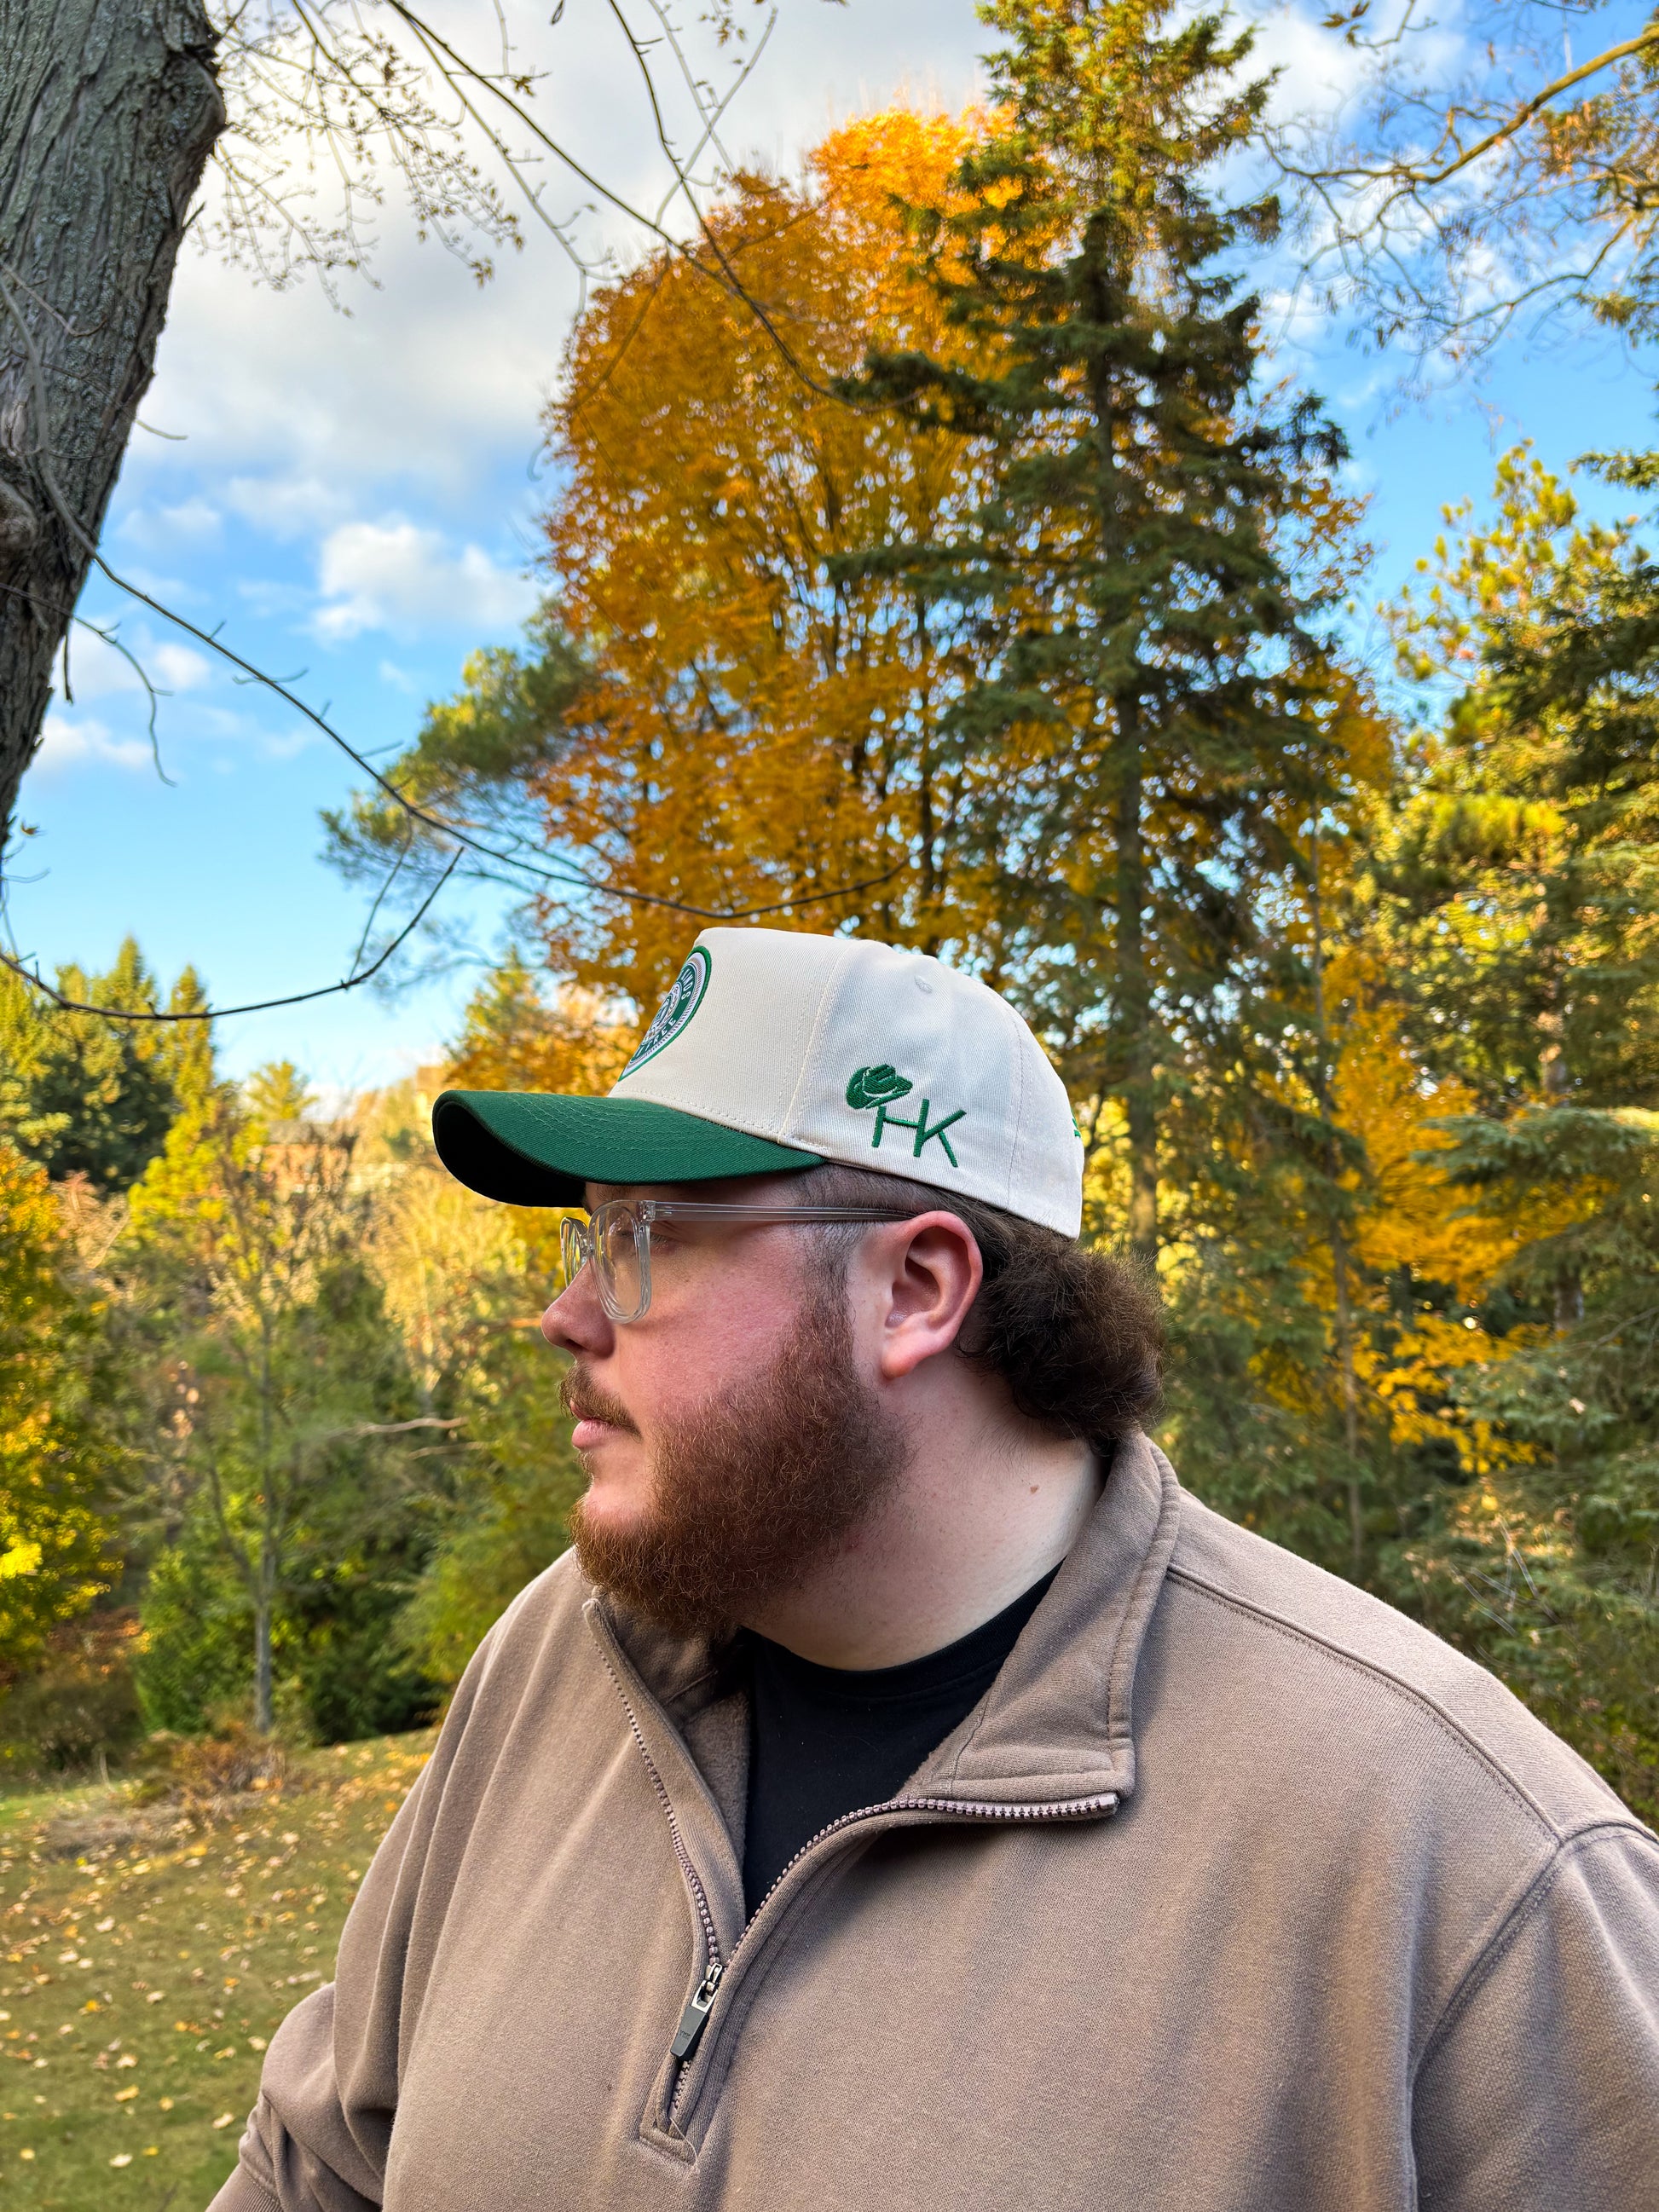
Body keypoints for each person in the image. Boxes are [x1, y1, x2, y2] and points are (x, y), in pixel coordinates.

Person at [211, 927, 1659, 2212]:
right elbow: (320, 2171)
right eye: (586, 1235)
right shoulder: (561, 1654)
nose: (565, 1313)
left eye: (645, 1238)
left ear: (914, 1288)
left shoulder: (1456, 1857)